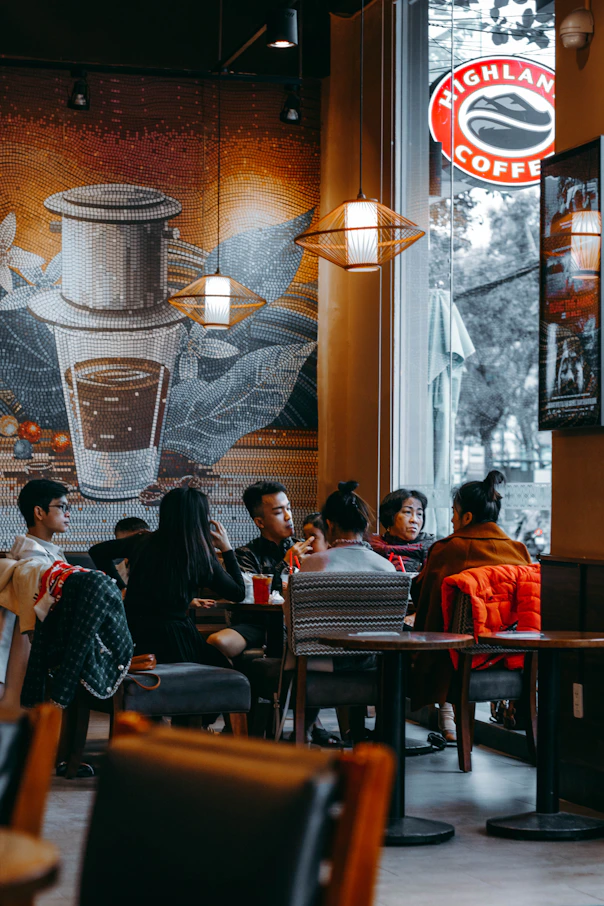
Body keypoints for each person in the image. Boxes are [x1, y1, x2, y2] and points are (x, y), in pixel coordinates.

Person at [411, 470, 532, 740]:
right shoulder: (519, 551)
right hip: (510, 661)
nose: (452, 519)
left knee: (391, 662)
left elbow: (425, 598)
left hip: (455, 663)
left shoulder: (448, 549)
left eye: (454, 512)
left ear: (467, 517)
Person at [89, 487, 244, 667]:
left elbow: (98, 552)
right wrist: (227, 549)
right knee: (226, 671)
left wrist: (121, 587)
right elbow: (238, 593)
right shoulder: (199, 555)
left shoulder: (141, 541)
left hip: (133, 633)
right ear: (200, 519)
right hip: (175, 639)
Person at [207, 481, 312, 660]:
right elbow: (250, 598)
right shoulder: (246, 555)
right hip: (258, 625)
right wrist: (285, 564)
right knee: (217, 641)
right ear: (260, 522)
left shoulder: (305, 548)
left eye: (289, 508)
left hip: (298, 623)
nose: (288, 516)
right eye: (279, 512)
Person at [370, 488, 434, 574]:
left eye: (419, 514)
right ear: (390, 515)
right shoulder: (372, 547)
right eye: (407, 512)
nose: (414, 520)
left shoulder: (433, 549)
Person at [11, 478, 71, 566]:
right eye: (61, 507)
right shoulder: (32, 557)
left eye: (67, 508)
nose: (68, 514)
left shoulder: (48, 550)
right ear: (39, 512)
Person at [113, 516, 151, 586]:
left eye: (139, 543)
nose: (134, 549)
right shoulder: (112, 575)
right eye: (127, 545)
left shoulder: (165, 570)